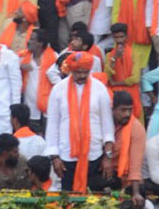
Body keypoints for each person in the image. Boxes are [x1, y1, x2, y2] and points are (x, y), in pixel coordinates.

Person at [45, 51, 114, 192]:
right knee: (69, 201)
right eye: (78, 72)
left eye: (85, 72)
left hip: (94, 156)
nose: (82, 76)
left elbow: (107, 125)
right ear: (71, 70)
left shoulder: (100, 89)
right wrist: (54, 157)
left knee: (94, 202)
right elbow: (52, 125)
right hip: (66, 156)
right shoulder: (58, 90)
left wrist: (107, 157)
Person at [109, 89, 146, 198]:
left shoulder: (137, 128)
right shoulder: (105, 123)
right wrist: (107, 158)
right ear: (113, 109)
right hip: (104, 171)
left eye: (130, 110)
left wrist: (136, 193)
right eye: (123, 110)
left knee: (139, 192)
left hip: (125, 176)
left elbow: (135, 165)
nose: (127, 114)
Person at [105, 22, 142, 120]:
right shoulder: (109, 55)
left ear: (126, 37)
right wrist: (114, 58)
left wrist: (116, 83)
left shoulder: (135, 53)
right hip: (115, 97)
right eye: (116, 37)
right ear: (113, 37)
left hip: (132, 95)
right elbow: (106, 77)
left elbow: (135, 78)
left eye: (122, 37)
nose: (119, 40)